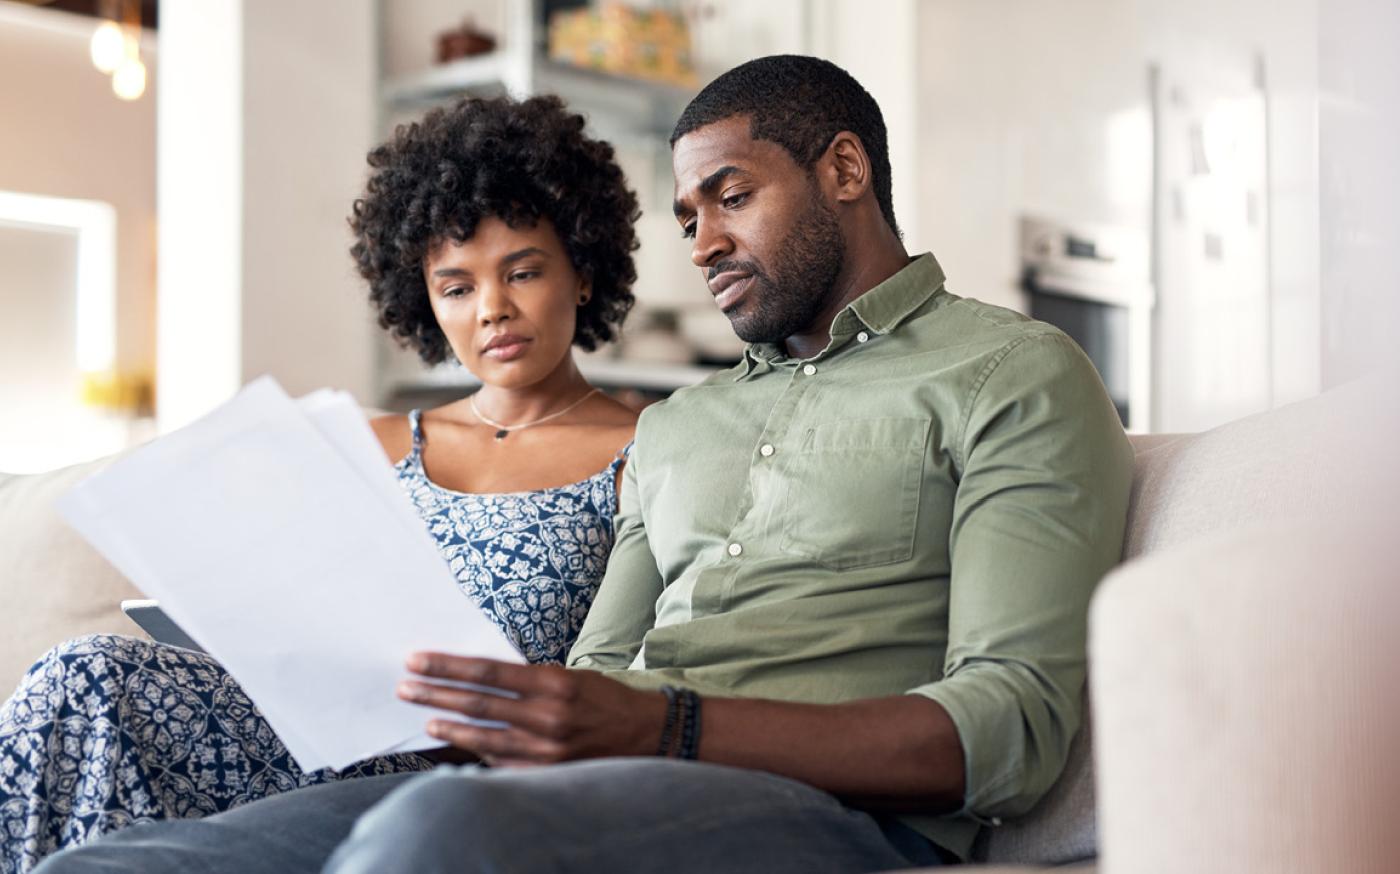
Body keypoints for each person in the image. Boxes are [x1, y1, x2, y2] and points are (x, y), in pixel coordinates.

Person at [35, 55, 1134, 874]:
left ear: (843, 168)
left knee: (433, 834)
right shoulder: (681, 425)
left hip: (840, 819)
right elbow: (601, 670)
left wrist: (666, 726)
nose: (700, 244)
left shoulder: (1011, 374)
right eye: (687, 214)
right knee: (125, 862)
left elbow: (1012, 728)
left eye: (732, 198)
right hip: (603, 783)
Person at [0, 94, 640, 874]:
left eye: (524, 271)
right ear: (424, 302)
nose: (493, 311)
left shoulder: (642, 447)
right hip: (316, 729)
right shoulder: (375, 444)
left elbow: (628, 674)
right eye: (456, 286)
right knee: (85, 672)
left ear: (583, 271)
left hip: (464, 767)